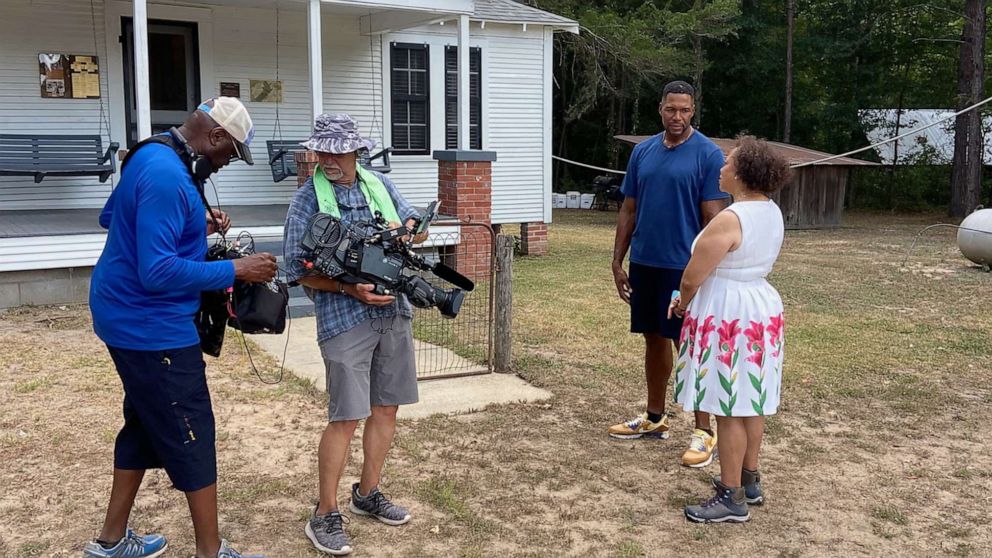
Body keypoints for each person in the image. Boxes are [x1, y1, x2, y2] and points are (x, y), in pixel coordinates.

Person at [85, 97, 277, 558]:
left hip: (121, 315)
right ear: (214, 136)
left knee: (144, 424)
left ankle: (111, 541)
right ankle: (210, 552)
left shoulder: (149, 153)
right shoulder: (170, 176)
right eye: (229, 153)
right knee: (193, 434)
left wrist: (194, 226)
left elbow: (112, 217)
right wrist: (237, 269)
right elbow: (157, 271)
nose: (226, 163)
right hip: (151, 328)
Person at [283, 113, 428, 556]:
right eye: (320, 150)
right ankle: (325, 512)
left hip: (393, 310)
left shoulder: (379, 185)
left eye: (335, 150)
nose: (326, 158)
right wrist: (349, 287)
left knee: (386, 409)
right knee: (346, 416)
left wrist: (412, 230)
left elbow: (415, 230)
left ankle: (367, 494)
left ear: (355, 151)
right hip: (343, 318)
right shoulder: (306, 201)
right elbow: (295, 269)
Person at [609, 81, 729, 468]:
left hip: (684, 267)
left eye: (685, 110)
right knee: (653, 338)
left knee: (691, 346)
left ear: (694, 111)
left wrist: (706, 272)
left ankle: (703, 431)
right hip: (646, 261)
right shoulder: (643, 152)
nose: (677, 117)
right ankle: (655, 418)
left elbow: (714, 220)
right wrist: (618, 259)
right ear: (660, 108)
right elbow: (629, 209)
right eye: (671, 109)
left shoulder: (708, 155)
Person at [670, 136, 790, 523]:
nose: (721, 167)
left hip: (729, 313)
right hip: (758, 307)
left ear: (740, 173)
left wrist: (682, 302)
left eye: (727, 163)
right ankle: (749, 479)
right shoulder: (770, 211)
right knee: (750, 399)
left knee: (727, 403)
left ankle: (730, 496)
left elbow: (694, 276)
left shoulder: (731, 218)